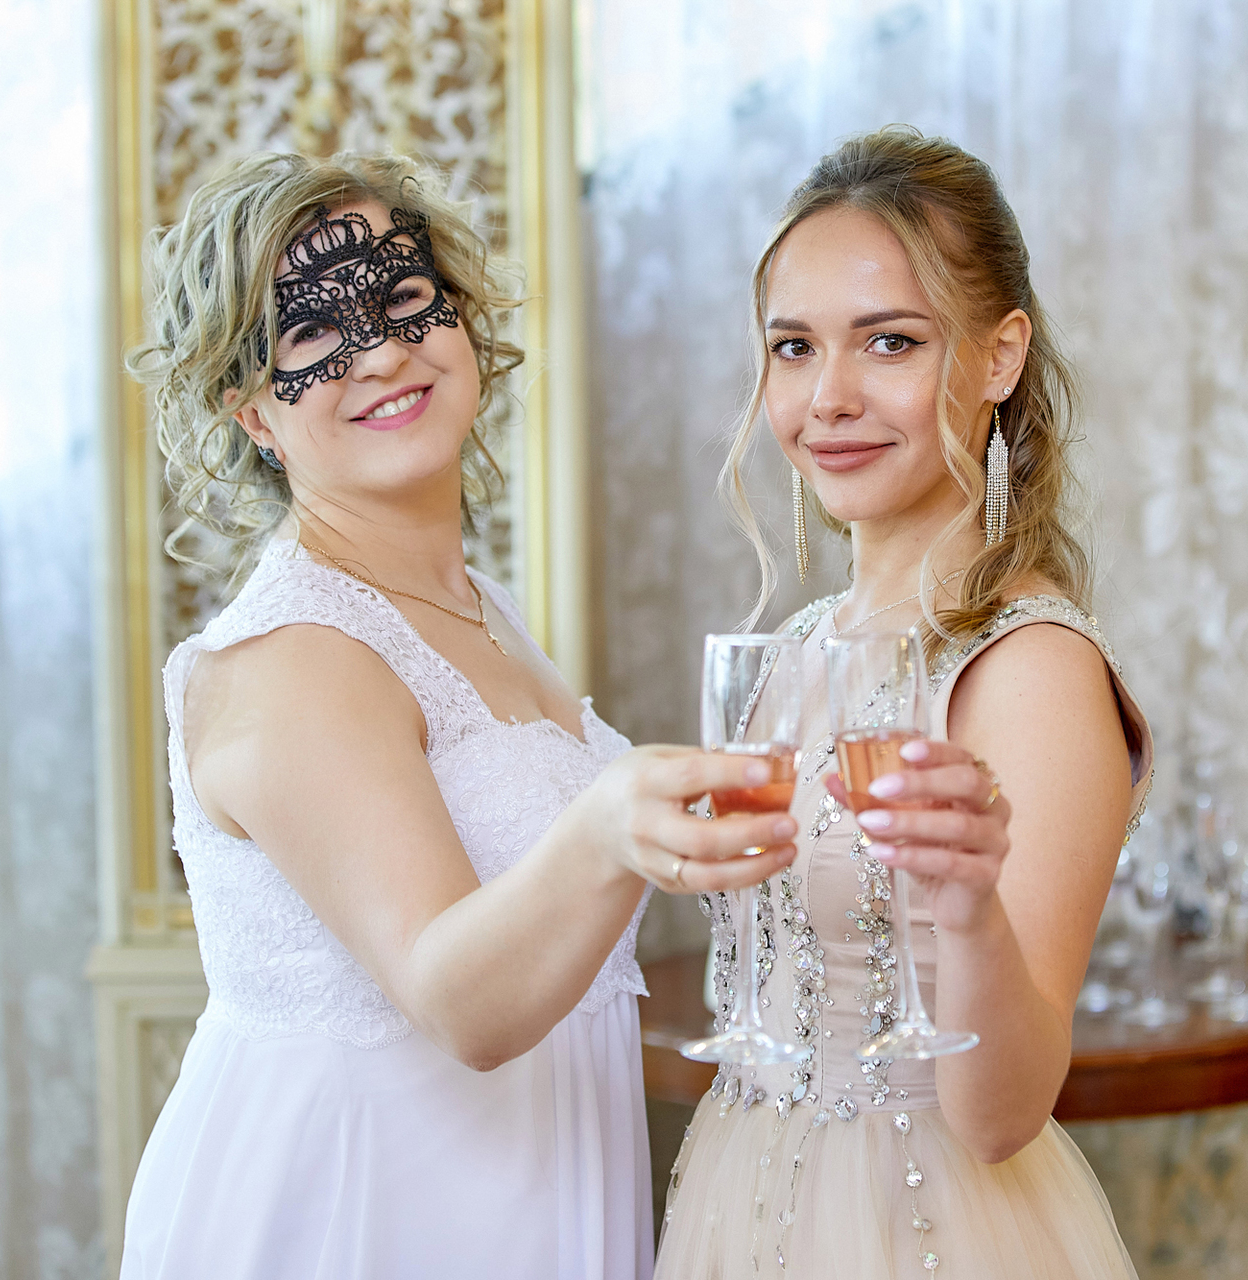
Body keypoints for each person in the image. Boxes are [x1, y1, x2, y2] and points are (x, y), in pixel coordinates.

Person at [117, 152, 794, 1280]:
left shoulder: (474, 605)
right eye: (311, 332)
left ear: (462, 318)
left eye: (401, 296)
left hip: (523, 1187)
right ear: (252, 412)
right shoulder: (293, 657)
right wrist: (611, 824)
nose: (381, 352)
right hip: (354, 1215)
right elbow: (458, 1000)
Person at [656, 126, 1153, 1278]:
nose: (828, 397)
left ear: (999, 355)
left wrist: (967, 908)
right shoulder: (797, 646)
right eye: (794, 347)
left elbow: (1002, 1113)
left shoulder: (1026, 665)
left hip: (926, 1230)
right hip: (740, 1204)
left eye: (890, 341)